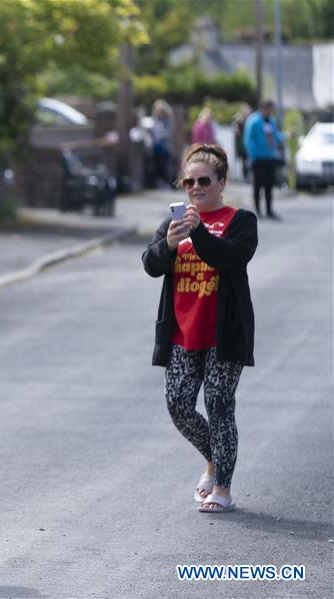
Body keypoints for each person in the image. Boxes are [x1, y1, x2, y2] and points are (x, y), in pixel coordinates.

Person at [142, 143, 257, 514]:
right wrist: (169, 245)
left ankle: (222, 486)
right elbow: (151, 264)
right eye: (188, 182)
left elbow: (232, 257)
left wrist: (199, 233)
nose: (195, 188)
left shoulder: (241, 220)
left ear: (221, 182)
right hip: (182, 333)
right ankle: (214, 459)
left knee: (219, 406)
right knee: (178, 405)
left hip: (223, 334)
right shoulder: (173, 225)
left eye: (203, 181)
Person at [244, 99, 285, 219]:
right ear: (264, 108)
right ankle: (258, 210)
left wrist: (286, 136)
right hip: (258, 158)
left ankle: (269, 210)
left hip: (269, 157)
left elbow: (276, 136)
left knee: (269, 185)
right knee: (257, 185)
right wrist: (253, 155)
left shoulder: (271, 121)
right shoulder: (253, 121)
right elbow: (248, 140)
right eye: (270, 109)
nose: (271, 112)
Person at [151, 99, 175, 188]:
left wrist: (163, 134)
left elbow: (170, 131)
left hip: (165, 146)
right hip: (156, 146)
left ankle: (165, 182)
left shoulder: (167, 120)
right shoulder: (154, 119)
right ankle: (159, 182)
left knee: (165, 164)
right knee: (157, 164)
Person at [232, 103, 252, 181]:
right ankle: (241, 176)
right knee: (242, 159)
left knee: (246, 160)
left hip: (246, 142)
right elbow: (237, 133)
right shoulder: (239, 121)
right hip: (241, 143)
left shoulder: (249, 120)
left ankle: (245, 175)